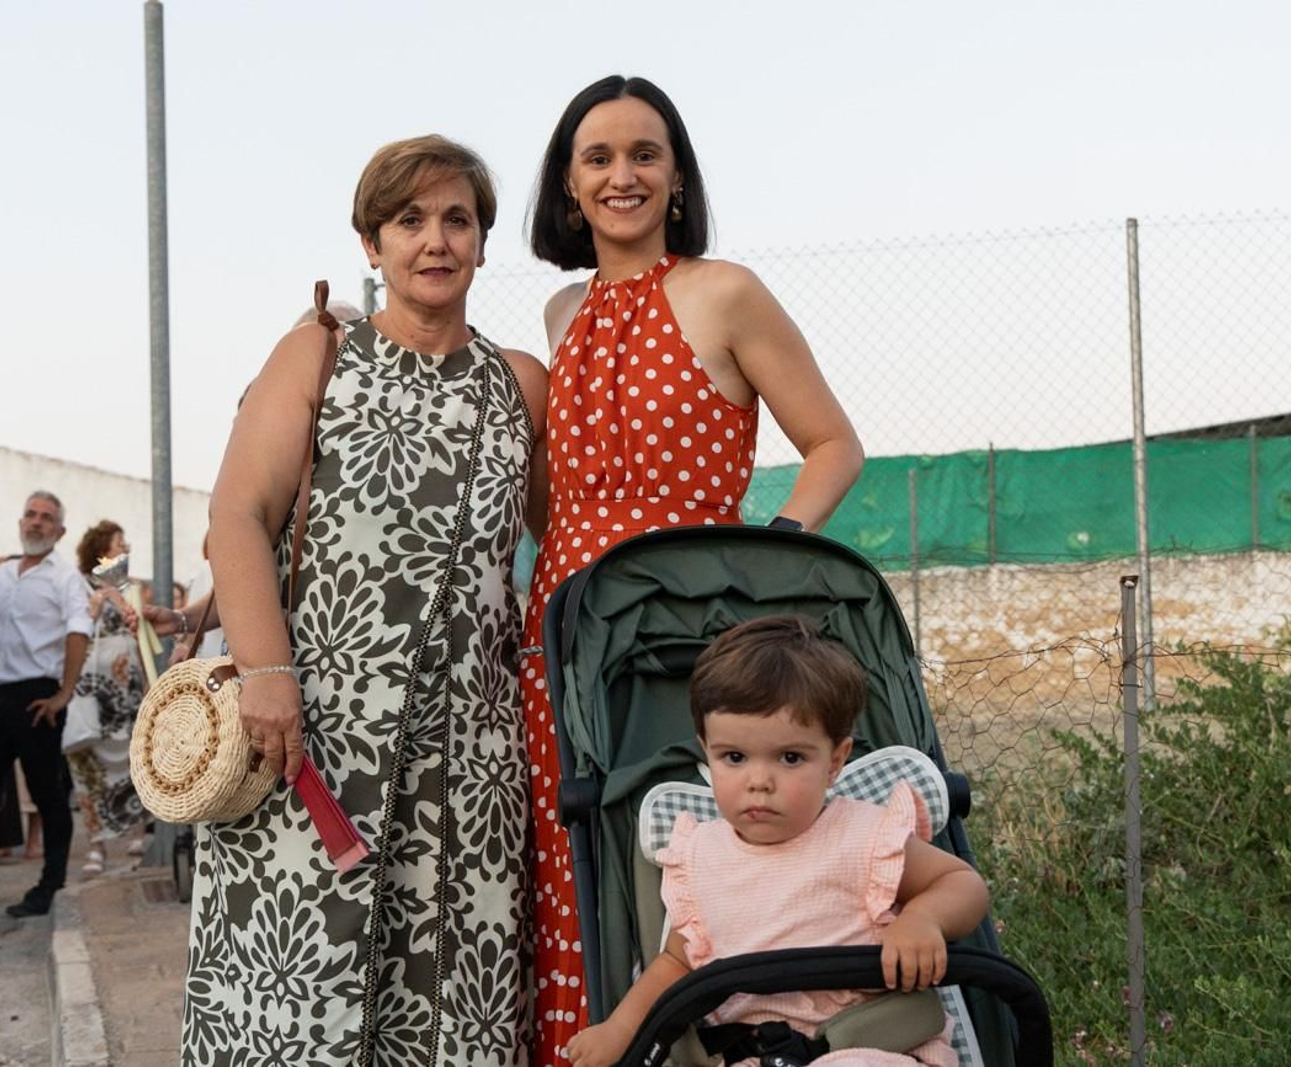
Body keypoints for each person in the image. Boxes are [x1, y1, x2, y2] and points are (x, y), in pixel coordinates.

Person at [179, 134, 547, 1066]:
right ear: (370, 242)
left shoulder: (520, 385)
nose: (435, 240)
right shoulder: (319, 356)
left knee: (449, 999)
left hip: (472, 753)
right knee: (297, 998)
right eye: (409, 220)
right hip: (310, 734)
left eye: (456, 219)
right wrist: (267, 673)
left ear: (482, 240)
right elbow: (238, 515)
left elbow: (567, 545)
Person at [521, 74, 865, 1058]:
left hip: (688, 638)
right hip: (566, 631)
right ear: (570, 184)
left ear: (674, 178)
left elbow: (833, 444)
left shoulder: (723, 291)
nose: (621, 174)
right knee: (575, 865)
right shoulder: (559, 313)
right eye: (598, 157)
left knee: (690, 866)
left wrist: (773, 562)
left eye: (644, 154)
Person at [567, 616, 989, 1067]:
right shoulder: (700, 857)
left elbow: (961, 883)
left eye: (790, 758)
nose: (759, 781)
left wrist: (923, 918)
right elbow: (674, 964)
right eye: (734, 757)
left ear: (835, 761)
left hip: (868, 1045)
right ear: (705, 751)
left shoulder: (863, 838)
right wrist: (621, 1028)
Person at [0, 491, 92, 919]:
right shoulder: (0, 573)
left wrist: (64, 692)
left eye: (46, 518)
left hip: (37, 697)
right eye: (30, 515)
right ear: (20, 521)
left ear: (59, 531)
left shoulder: (65, 577)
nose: (36, 523)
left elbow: (79, 631)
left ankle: (50, 884)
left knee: (47, 794)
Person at [67, 520, 150, 877]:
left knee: (135, 759)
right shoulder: (79, 585)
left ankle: (137, 833)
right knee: (89, 767)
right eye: (120, 541)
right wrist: (96, 607)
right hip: (92, 687)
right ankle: (96, 845)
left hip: (128, 688)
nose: (126, 547)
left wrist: (148, 682)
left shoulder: (130, 588)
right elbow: (73, 629)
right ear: (102, 547)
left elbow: (144, 636)